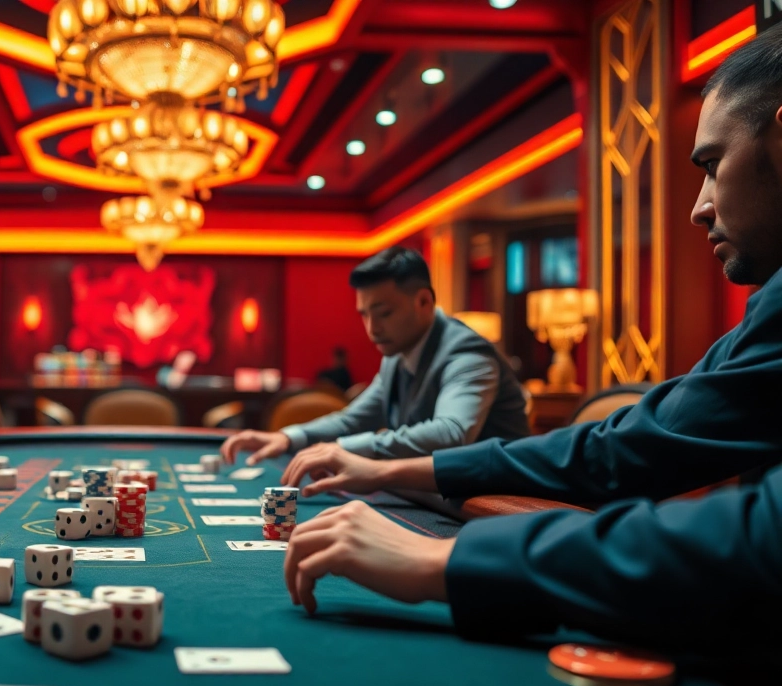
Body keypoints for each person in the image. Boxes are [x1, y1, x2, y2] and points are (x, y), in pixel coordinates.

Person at [280, 25, 782, 649]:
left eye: (711, 164)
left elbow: (765, 537)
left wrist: (448, 561)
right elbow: (618, 448)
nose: (698, 207)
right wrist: (389, 466)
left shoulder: (465, 348)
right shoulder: (772, 309)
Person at [222, 246, 529, 466]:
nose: (372, 328)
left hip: (493, 508)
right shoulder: (398, 353)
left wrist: (342, 449)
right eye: (364, 315)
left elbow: (452, 433)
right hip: (437, 496)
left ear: (423, 301)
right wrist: (288, 438)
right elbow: (354, 420)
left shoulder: (467, 353)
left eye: (383, 313)